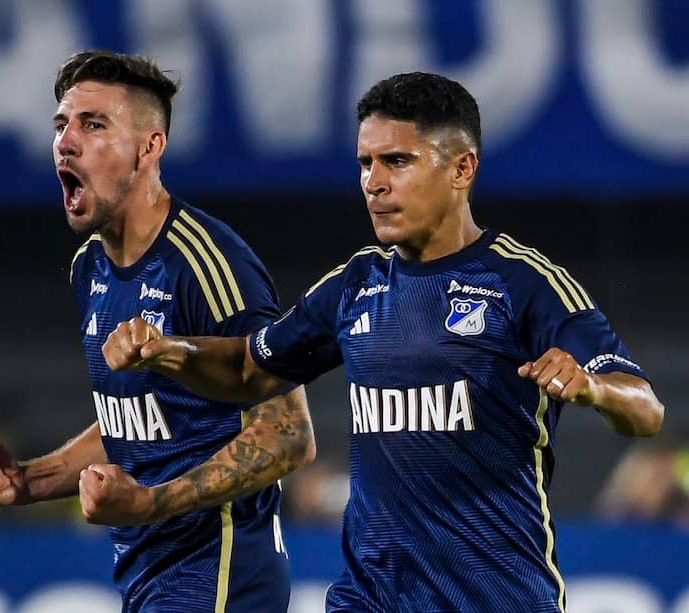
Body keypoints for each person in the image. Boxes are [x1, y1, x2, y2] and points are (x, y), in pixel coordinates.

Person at [102, 72, 666, 611]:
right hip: (368, 598)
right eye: (365, 163)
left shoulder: (522, 282)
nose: (374, 182)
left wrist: (594, 387)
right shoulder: (355, 285)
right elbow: (251, 369)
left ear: (462, 168)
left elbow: (646, 410)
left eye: (397, 161)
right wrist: (171, 352)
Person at [0, 49, 315, 612]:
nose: (65, 141)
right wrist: (27, 480)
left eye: (93, 124)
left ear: (150, 148)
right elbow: (140, 424)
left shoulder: (207, 263)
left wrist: (150, 503)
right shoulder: (89, 267)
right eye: (61, 125)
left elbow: (288, 434)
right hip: (150, 578)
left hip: (219, 572)